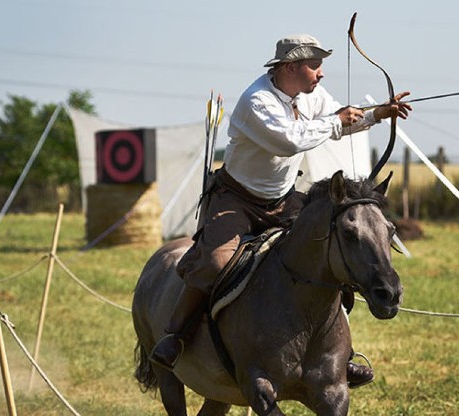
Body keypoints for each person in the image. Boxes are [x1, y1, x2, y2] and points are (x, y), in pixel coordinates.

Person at [150, 33, 411, 388]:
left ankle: (341, 355)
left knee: (329, 255)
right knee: (214, 263)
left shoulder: (309, 95)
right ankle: (175, 336)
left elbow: (339, 117)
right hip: (236, 199)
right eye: (314, 65)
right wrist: (339, 121)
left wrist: (378, 113)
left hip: (283, 199)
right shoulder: (257, 101)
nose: (321, 74)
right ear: (291, 67)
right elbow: (289, 140)